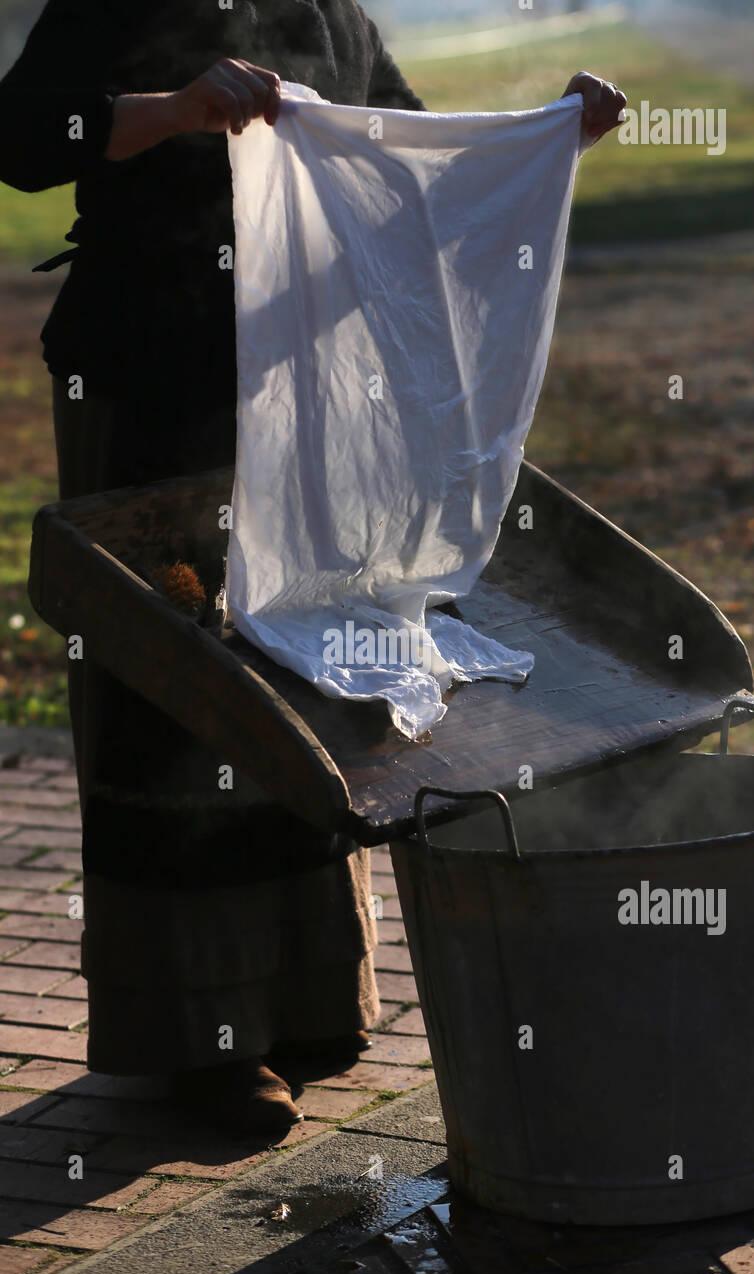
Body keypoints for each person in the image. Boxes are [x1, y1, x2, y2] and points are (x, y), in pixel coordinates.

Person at [0, 1, 626, 1135]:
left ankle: (309, 1002)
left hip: (298, 396)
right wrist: (174, 110)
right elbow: (21, 139)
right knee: (178, 689)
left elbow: (411, 169)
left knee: (298, 673)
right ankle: (198, 1035)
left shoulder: (331, 11)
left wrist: (548, 138)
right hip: (150, 383)